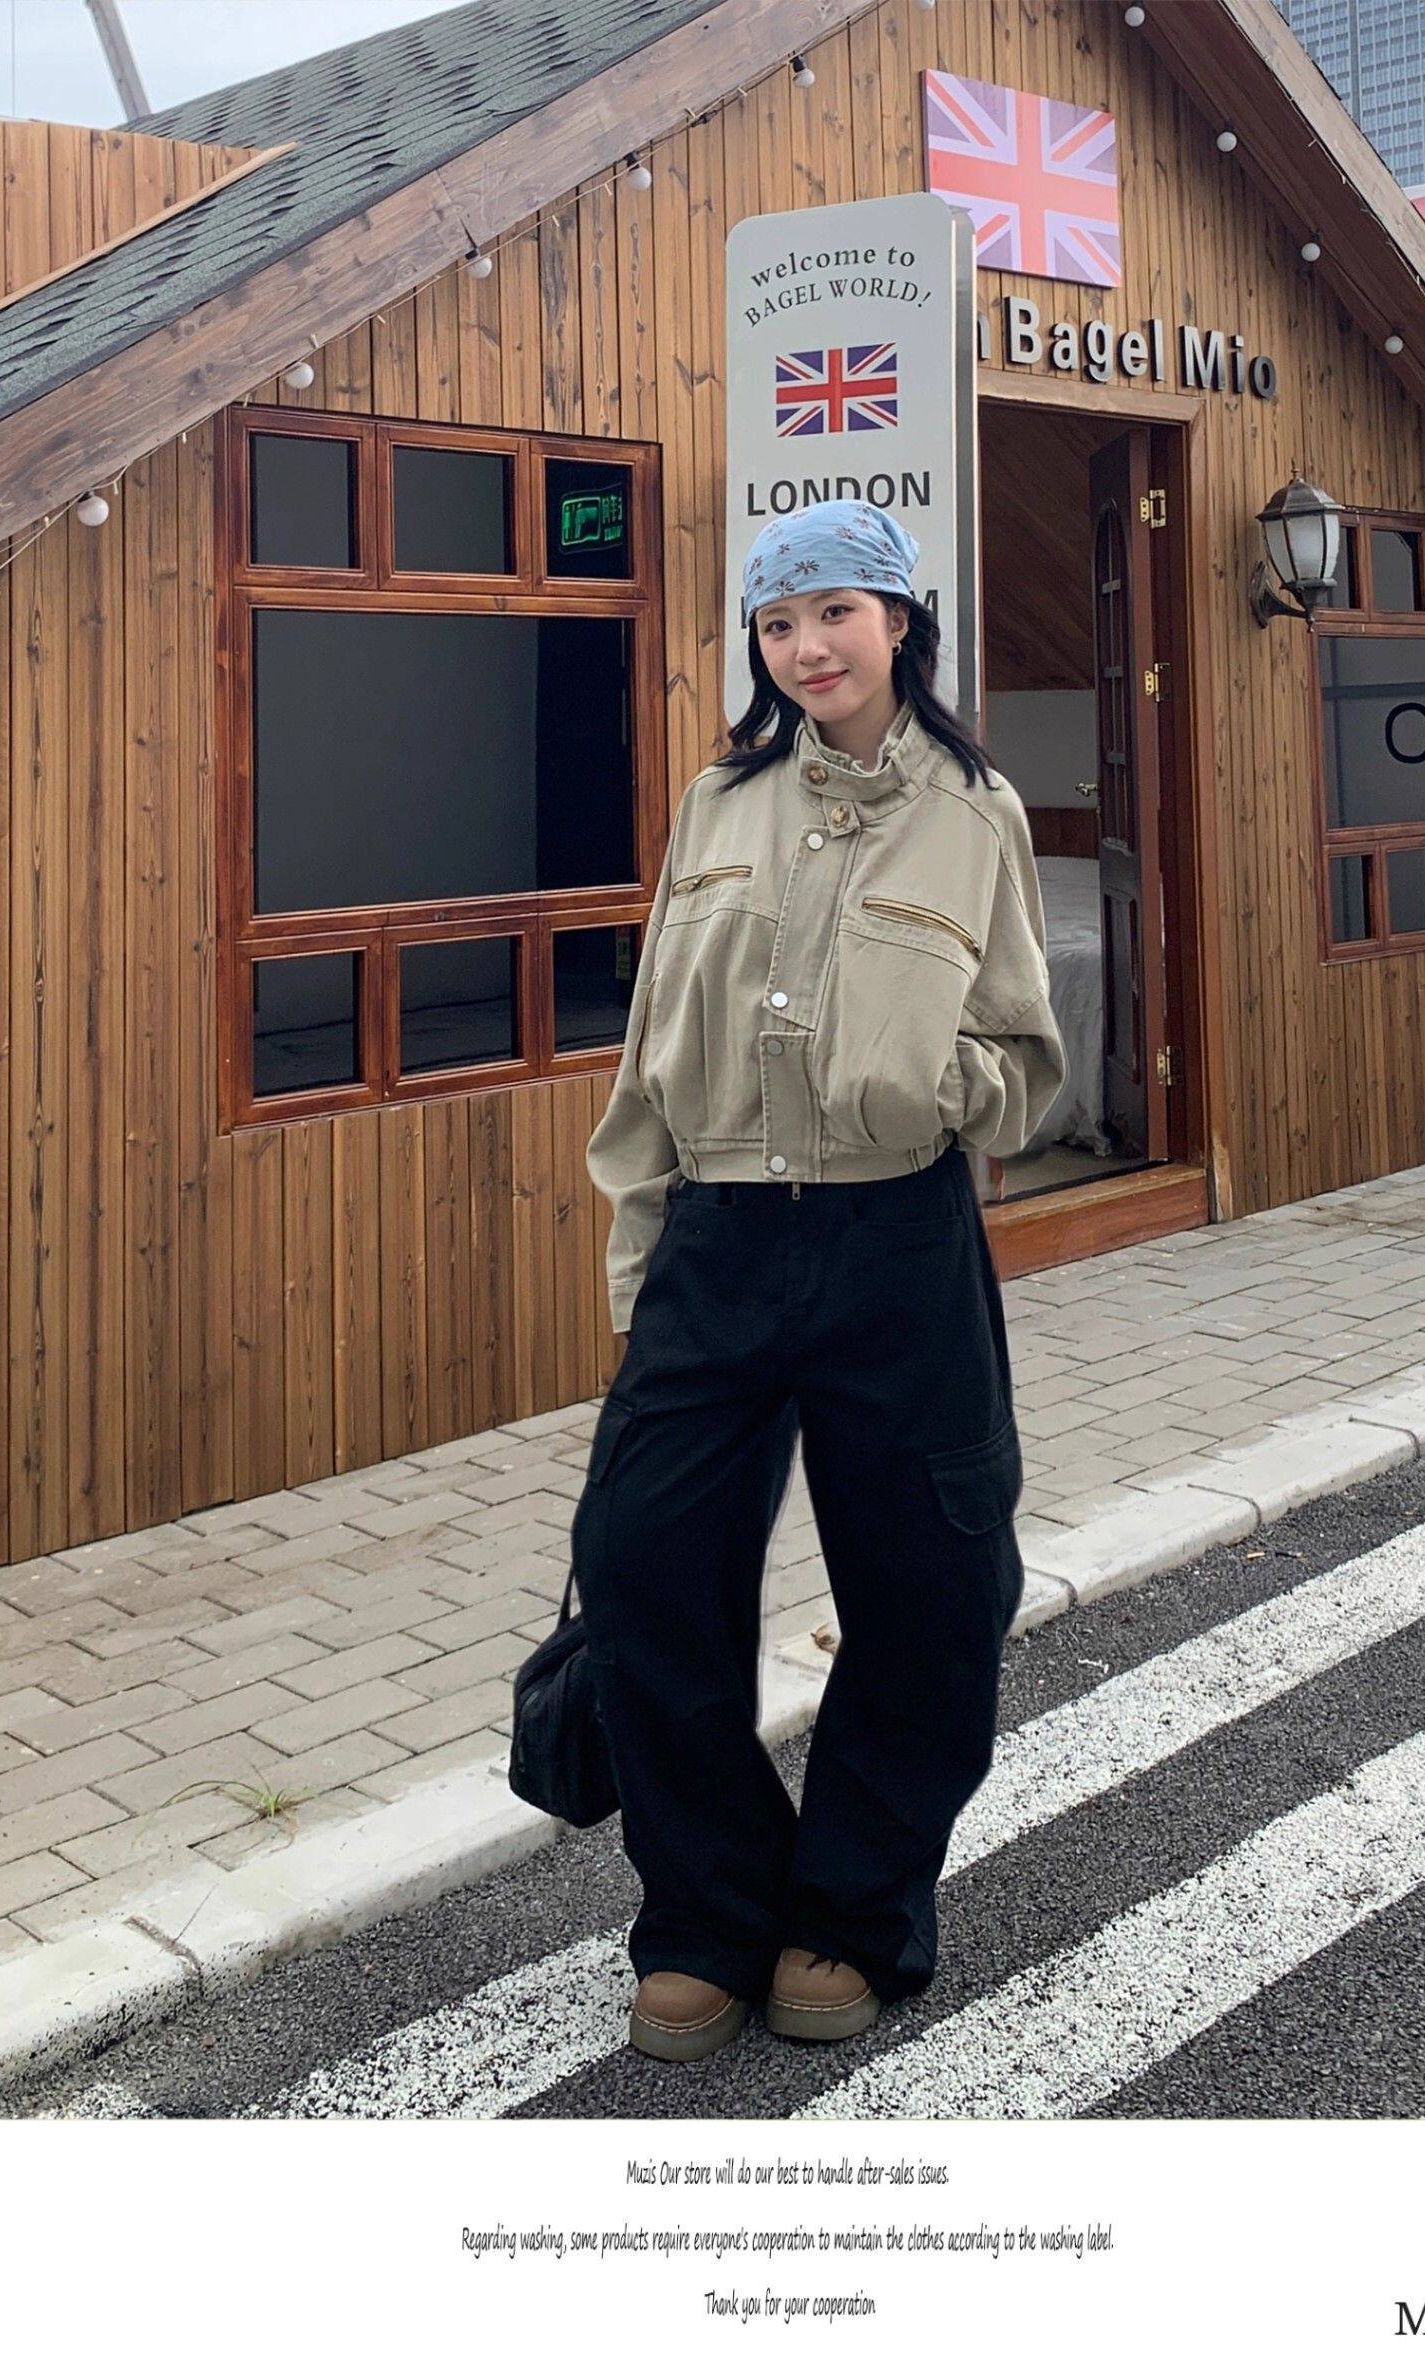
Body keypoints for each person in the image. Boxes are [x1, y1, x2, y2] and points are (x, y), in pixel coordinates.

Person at [574, 498, 1067, 2064]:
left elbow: (1025, 1060)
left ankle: (850, 1913)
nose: (807, 647)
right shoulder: (719, 802)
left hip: (894, 1240)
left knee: (933, 1591)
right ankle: (706, 1914)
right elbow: (651, 1050)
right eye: (779, 624)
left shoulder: (975, 813)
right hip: (717, 1237)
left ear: (898, 622)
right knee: (642, 1568)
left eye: (835, 613)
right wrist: (639, 1271)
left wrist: (929, 1084)